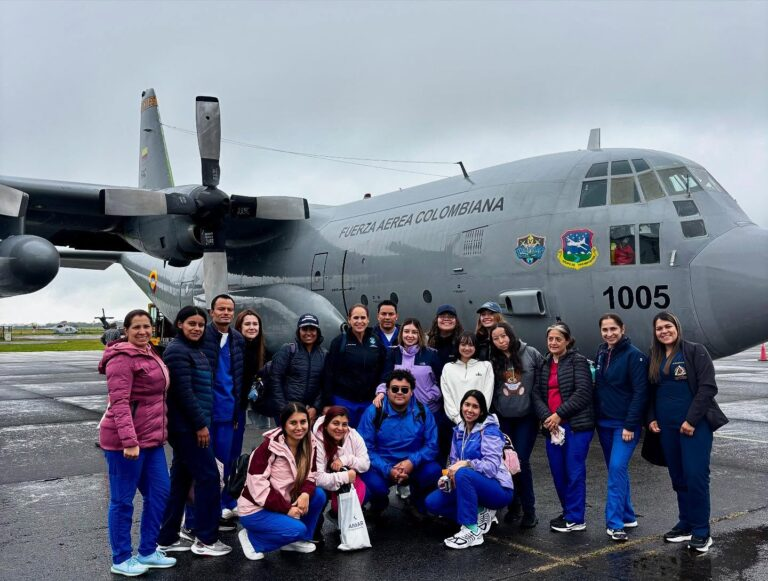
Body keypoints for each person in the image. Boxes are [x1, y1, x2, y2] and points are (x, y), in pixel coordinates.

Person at [98, 309, 176, 576]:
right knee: (122, 500)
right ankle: (121, 559)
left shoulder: (150, 352)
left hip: (151, 440)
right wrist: (129, 441)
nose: (143, 331)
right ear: (126, 331)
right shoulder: (122, 358)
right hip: (125, 443)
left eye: (147, 327)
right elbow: (119, 403)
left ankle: (147, 550)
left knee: (160, 493)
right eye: (137, 327)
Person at [157, 306, 231, 557]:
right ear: (179, 324)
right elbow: (183, 393)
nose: (197, 328)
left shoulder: (195, 351)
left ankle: (166, 538)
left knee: (180, 482)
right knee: (209, 479)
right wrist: (200, 425)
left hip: (193, 426)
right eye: (192, 323)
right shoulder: (177, 351)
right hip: (188, 429)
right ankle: (206, 539)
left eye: (200, 324)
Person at [647, 312, 719, 552]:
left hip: (693, 427)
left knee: (695, 476)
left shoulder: (695, 351)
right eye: (659, 328)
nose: (664, 331)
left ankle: (701, 530)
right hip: (666, 429)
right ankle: (686, 522)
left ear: (677, 327)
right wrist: (651, 419)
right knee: (678, 477)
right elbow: (651, 392)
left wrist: (691, 420)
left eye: (668, 326)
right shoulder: (655, 356)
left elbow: (708, 387)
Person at [237, 402, 326, 560]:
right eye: (293, 422)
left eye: (303, 422)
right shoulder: (267, 449)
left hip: (283, 501)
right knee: (298, 529)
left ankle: (293, 542)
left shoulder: (310, 443)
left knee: (318, 495)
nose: (299, 427)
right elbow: (259, 490)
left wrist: (305, 493)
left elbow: (312, 474)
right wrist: (287, 510)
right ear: (283, 424)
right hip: (256, 510)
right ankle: (251, 539)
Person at [425, 391, 514, 549]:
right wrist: (448, 478)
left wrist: (466, 463)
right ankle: (480, 513)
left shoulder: (490, 430)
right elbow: (453, 462)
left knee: (464, 473)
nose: (470, 410)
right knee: (432, 503)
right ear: (461, 406)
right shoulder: (459, 430)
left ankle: (472, 531)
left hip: (499, 489)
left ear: (481, 411)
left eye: (475, 406)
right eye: (467, 405)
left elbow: (491, 467)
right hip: (470, 484)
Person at [532, 322, 594, 533]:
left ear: (567, 340)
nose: (554, 342)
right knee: (558, 472)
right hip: (553, 427)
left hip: (576, 426)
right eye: (550, 339)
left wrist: (559, 414)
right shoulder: (544, 364)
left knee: (574, 470)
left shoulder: (578, 361)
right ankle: (568, 511)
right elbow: (536, 394)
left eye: (558, 339)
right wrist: (547, 417)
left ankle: (576, 518)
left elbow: (584, 392)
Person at [594, 313, 648, 542]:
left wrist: (630, 424)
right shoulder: (602, 352)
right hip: (604, 423)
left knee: (616, 469)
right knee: (617, 471)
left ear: (622, 329)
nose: (609, 333)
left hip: (624, 426)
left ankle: (614, 523)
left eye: (613, 329)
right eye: (605, 330)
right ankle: (628, 514)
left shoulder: (634, 356)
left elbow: (640, 393)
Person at [358, 370, 442, 516]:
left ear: (411, 392)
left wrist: (411, 462)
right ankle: (378, 504)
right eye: (395, 389)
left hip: (413, 464)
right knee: (375, 486)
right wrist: (388, 469)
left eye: (404, 389)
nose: (399, 392)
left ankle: (417, 501)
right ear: (387, 391)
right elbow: (364, 449)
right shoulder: (374, 412)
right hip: (382, 464)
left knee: (433, 471)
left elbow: (432, 445)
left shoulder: (423, 411)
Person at [373, 318, 449, 467]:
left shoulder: (430, 354)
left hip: (429, 411)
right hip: (403, 411)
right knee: (407, 447)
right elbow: (385, 377)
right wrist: (381, 392)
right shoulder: (393, 353)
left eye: (414, 332)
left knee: (431, 449)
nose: (410, 335)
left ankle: (434, 483)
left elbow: (442, 381)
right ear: (401, 333)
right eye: (406, 331)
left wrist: (431, 395)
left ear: (419, 334)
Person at [489, 322, 544, 528]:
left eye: (504, 336)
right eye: (496, 338)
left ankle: (530, 510)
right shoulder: (493, 360)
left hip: (526, 418)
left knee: (521, 461)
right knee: (506, 462)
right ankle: (514, 505)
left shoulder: (530, 353)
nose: (501, 341)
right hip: (504, 418)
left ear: (511, 335)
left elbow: (543, 379)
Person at [200, 294, 246, 525]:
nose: (226, 313)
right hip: (209, 411)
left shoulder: (237, 339)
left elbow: (238, 377)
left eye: (229, 309)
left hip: (229, 411)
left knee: (228, 460)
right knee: (209, 463)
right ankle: (210, 507)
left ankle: (227, 501)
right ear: (212, 312)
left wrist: (238, 409)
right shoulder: (202, 336)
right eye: (221, 309)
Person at [322, 304, 387, 428]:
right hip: (344, 400)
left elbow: (383, 369)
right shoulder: (339, 342)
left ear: (368, 320)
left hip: (369, 402)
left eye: (363, 318)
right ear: (349, 320)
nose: (359, 321)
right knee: (343, 438)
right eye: (356, 318)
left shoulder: (376, 341)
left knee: (365, 439)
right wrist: (327, 402)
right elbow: (328, 373)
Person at [313, 406, 370, 523]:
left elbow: (365, 464)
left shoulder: (353, 435)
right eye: (335, 423)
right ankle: (316, 526)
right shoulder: (316, 441)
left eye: (344, 424)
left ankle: (349, 518)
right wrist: (345, 476)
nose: (340, 428)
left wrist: (345, 459)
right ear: (326, 424)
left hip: (349, 478)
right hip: (327, 482)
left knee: (370, 486)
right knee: (318, 495)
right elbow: (318, 478)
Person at [269, 313, 328, 425]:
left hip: (310, 411)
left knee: (308, 442)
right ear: (299, 331)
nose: (308, 333)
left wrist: (316, 408)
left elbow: (325, 385)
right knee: (286, 442)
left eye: (312, 329)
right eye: (304, 329)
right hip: (288, 409)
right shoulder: (288, 350)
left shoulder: (324, 355)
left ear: (318, 332)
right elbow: (275, 379)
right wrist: (283, 409)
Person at [441, 331, 494, 425]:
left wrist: (478, 416)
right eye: (463, 344)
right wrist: (458, 420)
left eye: (471, 345)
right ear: (458, 346)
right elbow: (447, 395)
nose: (467, 348)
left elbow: (487, 393)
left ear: (476, 347)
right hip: (455, 422)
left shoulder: (486, 366)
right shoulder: (448, 368)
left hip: (479, 422)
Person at [233, 308, 266, 461]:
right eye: (247, 324)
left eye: (255, 324)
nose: (252, 327)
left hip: (240, 406)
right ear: (239, 327)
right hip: (233, 407)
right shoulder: (236, 348)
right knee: (230, 448)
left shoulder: (256, 348)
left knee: (235, 447)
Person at [427, 304, 464, 372]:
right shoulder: (427, 342)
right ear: (436, 320)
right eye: (442, 316)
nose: (446, 319)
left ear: (456, 321)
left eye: (450, 316)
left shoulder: (463, 342)